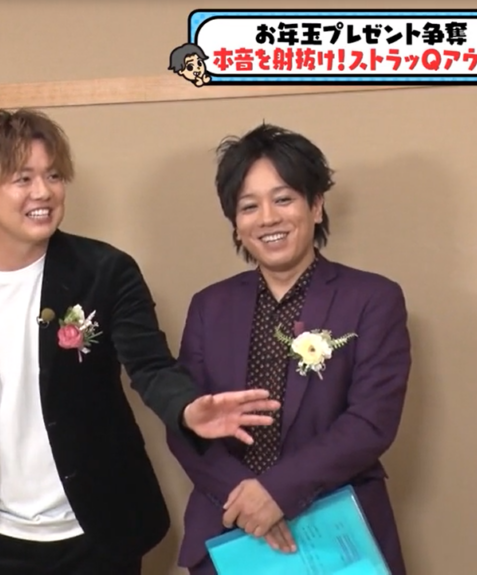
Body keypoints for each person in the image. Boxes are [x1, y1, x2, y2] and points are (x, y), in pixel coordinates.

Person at [0, 108, 282, 575]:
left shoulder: (105, 271)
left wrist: (186, 408)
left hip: (97, 530)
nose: (44, 192)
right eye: (23, 179)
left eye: (53, 176)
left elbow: (150, 366)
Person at [165, 123, 411, 575]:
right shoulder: (209, 306)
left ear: (315, 205)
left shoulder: (372, 298)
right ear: (236, 223)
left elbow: (371, 421)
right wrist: (248, 499)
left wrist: (277, 492)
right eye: (249, 206)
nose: (267, 218)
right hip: (230, 528)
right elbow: (187, 423)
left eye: (283, 199)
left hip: (336, 533)